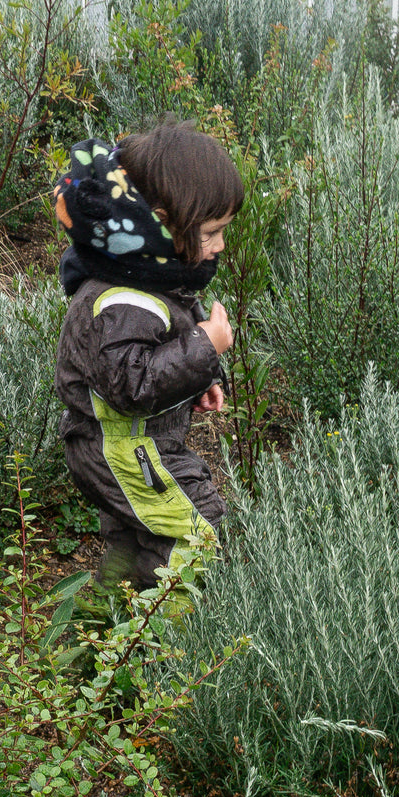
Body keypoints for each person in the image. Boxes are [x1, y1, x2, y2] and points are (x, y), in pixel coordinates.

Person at [52, 120, 244, 589]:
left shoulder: (144, 271)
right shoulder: (120, 299)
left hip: (121, 443)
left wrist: (195, 381)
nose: (220, 245)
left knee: (136, 540)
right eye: (212, 232)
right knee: (197, 528)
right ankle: (164, 646)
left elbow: (154, 352)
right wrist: (203, 347)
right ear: (164, 219)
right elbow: (133, 384)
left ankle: (105, 627)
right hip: (121, 448)